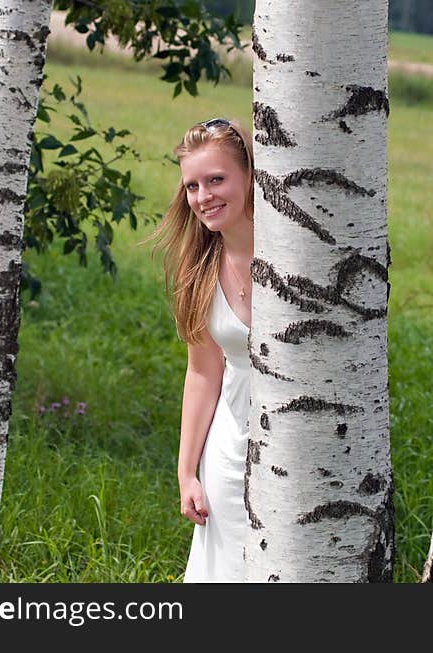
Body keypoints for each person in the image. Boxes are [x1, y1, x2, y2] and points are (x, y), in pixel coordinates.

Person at [152, 118, 254, 582]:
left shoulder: (301, 260)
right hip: (230, 456)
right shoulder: (201, 271)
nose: (203, 196)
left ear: (251, 175)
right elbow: (203, 375)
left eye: (216, 179)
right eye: (192, 185)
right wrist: (186, 472)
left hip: (307, 451)